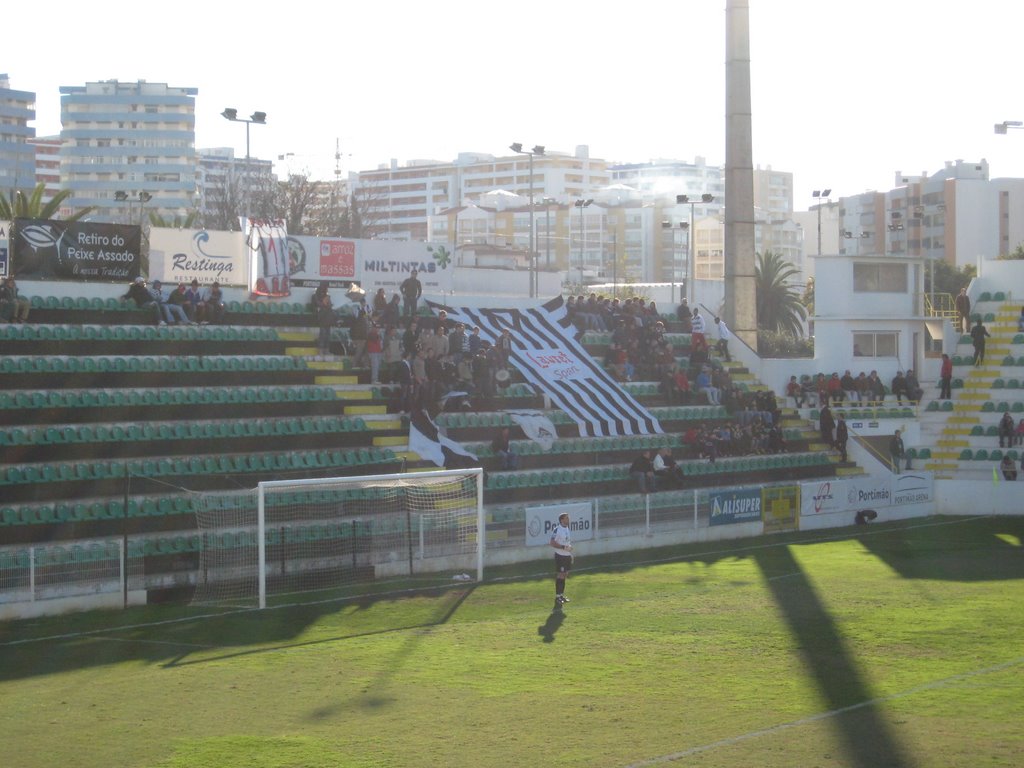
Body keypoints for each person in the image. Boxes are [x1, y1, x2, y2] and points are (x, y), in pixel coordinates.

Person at [549, 512, 573, 609]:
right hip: (560, 556)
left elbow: (567, 542)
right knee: (560, 575)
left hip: (567, 556)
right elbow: (551, 542)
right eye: (567, 518)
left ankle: (562, 595)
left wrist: (570, 553)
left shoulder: (567, 528)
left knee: (565, 575)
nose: (568, 519)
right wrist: (563, 547)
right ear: (562, 520)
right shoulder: (557, 530)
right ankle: (558, 596)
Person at [314, 285, 335, 355]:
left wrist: (329, 304)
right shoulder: (316, 296)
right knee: (322, 335)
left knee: (328, 336)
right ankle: (320, 350)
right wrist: (325, 304)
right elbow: (317, 304)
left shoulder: (328, 297)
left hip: (328, 319)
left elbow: (330, 305)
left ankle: (326, 350)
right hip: (322, 319)